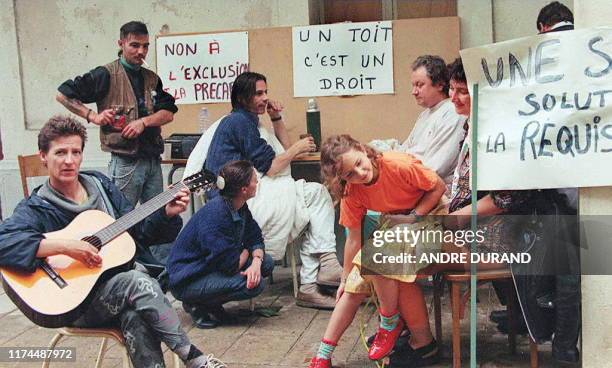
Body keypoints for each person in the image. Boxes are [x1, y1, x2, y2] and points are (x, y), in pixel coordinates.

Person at [0, 115, 224, 368]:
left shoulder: (101, 186)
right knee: (137, 281)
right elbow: (3, 243)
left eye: (75, 152)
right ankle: (194, 358)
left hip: (125, 294)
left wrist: (165, 213)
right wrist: (67, 247)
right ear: (43, 156)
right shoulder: (37, 207)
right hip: (78, 304)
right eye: (60, 153)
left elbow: (139, 233)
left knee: (136, 316)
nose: (69, 160)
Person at [204, 71, 342, 309]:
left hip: (251, 192)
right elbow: (273, 167)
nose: (265, 98)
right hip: (238, 200)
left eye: (266, 92)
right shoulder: (238, 122)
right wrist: (298, 147)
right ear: (242, 97)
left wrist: (276, 118)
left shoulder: (249, 121)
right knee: (316, 198)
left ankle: (318, 275)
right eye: (258, 93)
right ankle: (317, 274)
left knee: (313, 202)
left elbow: (284, 152)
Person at [308, 135, 447, 368]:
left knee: (381, 260)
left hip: (429, 216)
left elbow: (438, 187)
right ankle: (324, 353)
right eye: (350, 174)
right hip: (395, 224)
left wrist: (413, 217)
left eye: (360, 164)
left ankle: (390, 324)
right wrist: (343, 278)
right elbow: (353, 238)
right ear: (341, 179)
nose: (360, 174)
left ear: (363, 149)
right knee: (354, 282)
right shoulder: (352, 191)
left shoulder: (397, 165)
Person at [56, 21, 177, 208]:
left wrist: (143, 122)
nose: (141, 52)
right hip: (125, 163)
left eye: (145, 46)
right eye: (134, 45)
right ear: (121, 44)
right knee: (121, 219)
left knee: (156, 220)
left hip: (153, 161)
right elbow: (62, 95)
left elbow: (168, 113)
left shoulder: (152, 78)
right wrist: (92, 116)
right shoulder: (105, 74)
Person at [168, 160, 274, 329]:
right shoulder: (216, 215)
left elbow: (255, 236)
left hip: (211, 267)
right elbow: (230, 265)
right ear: (244, 189)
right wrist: (248, 251)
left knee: (265, 263)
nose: (257, 182)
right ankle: (197, 303)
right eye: (255, 179)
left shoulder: (239, 206)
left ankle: (210, 302)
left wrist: (256, 261)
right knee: (256, 283)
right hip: (188, 279)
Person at [399, 55, 465, 186]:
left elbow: (436, 168)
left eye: (420, 85)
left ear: (440, 84)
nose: (414, 92)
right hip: (412, 178)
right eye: (413, 85)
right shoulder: (425, 115)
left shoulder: (453, 112)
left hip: (432, 189)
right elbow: (404, 151)